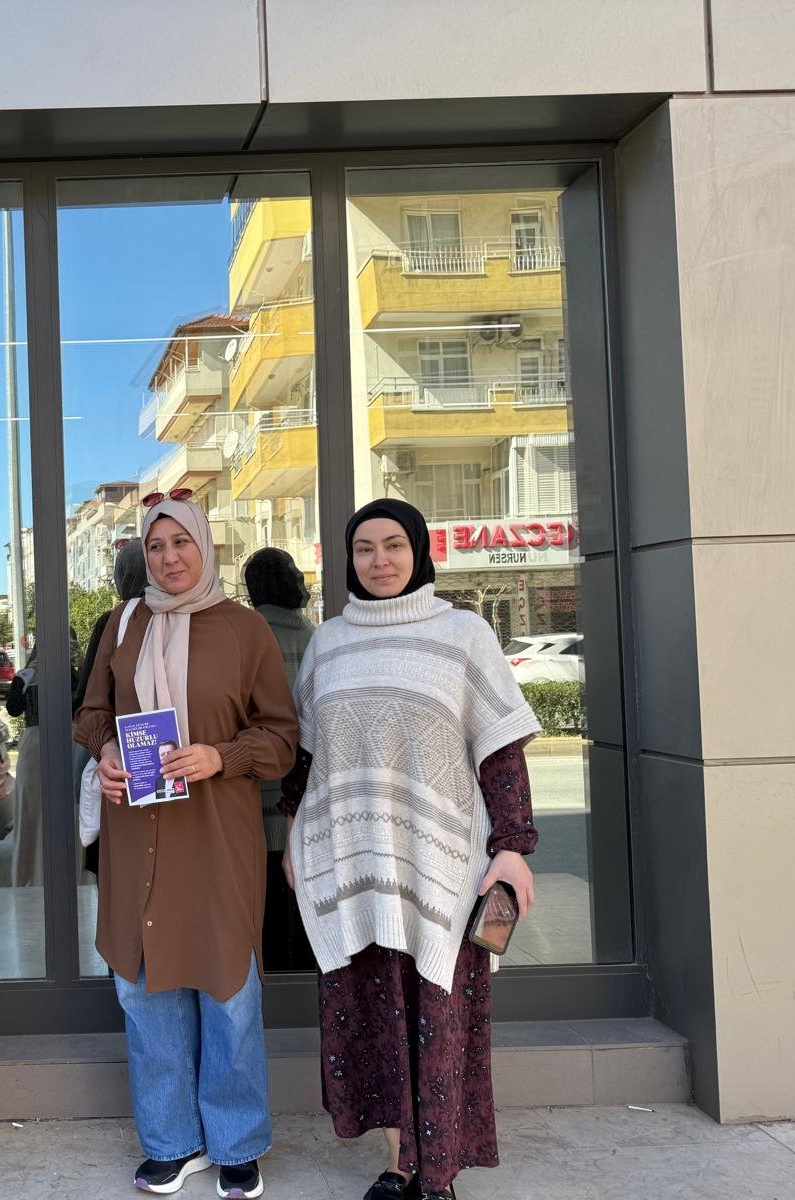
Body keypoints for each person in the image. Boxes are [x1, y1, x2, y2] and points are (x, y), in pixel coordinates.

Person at [282, 499, 541, 1200]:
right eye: (364, 548)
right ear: (349, 560)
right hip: (353, 864)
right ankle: (401, 1163)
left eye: (394, 544)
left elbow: (501, 751)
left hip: (442, 864)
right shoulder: (328, 643)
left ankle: (439, 1174)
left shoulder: (463, 634)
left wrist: (513, 846)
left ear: (419, 551)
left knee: (439, 1016)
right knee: (379, 1020)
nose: (380, 560)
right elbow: (307, 758)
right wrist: (295, 836)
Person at [75, 491, 296, 1199]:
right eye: (156, 546)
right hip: (136, 831)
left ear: (206, 546)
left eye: (182, 543)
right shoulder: (123, 623)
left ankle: (237, 1142)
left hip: (215, 835)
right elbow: (91, 712)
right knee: (145, 988)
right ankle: (171, 1141)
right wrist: (107, 751)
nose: (169, 558)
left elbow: (282, 737)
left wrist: (220, 756)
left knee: (228, 988)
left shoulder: (244, 630)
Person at [241, 547, 316, 973]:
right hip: (304, 799)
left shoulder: (243, 636)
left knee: (262, 916)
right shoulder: (315, 638)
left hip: (254, 798)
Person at [73, 542, 147, 878]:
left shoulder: (115, 620)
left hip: (118, 758)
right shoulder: (125, 619)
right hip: (156, 756)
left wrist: (104, 742)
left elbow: (88, 696)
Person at [5, 633, 77, 889]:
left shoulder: (64, 674)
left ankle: (33, 873)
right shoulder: (64, 674)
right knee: (41, 805)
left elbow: (13, 709)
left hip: (47, 740)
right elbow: (13, 708)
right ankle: (45, 873)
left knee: (40, 806)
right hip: (53, 740)